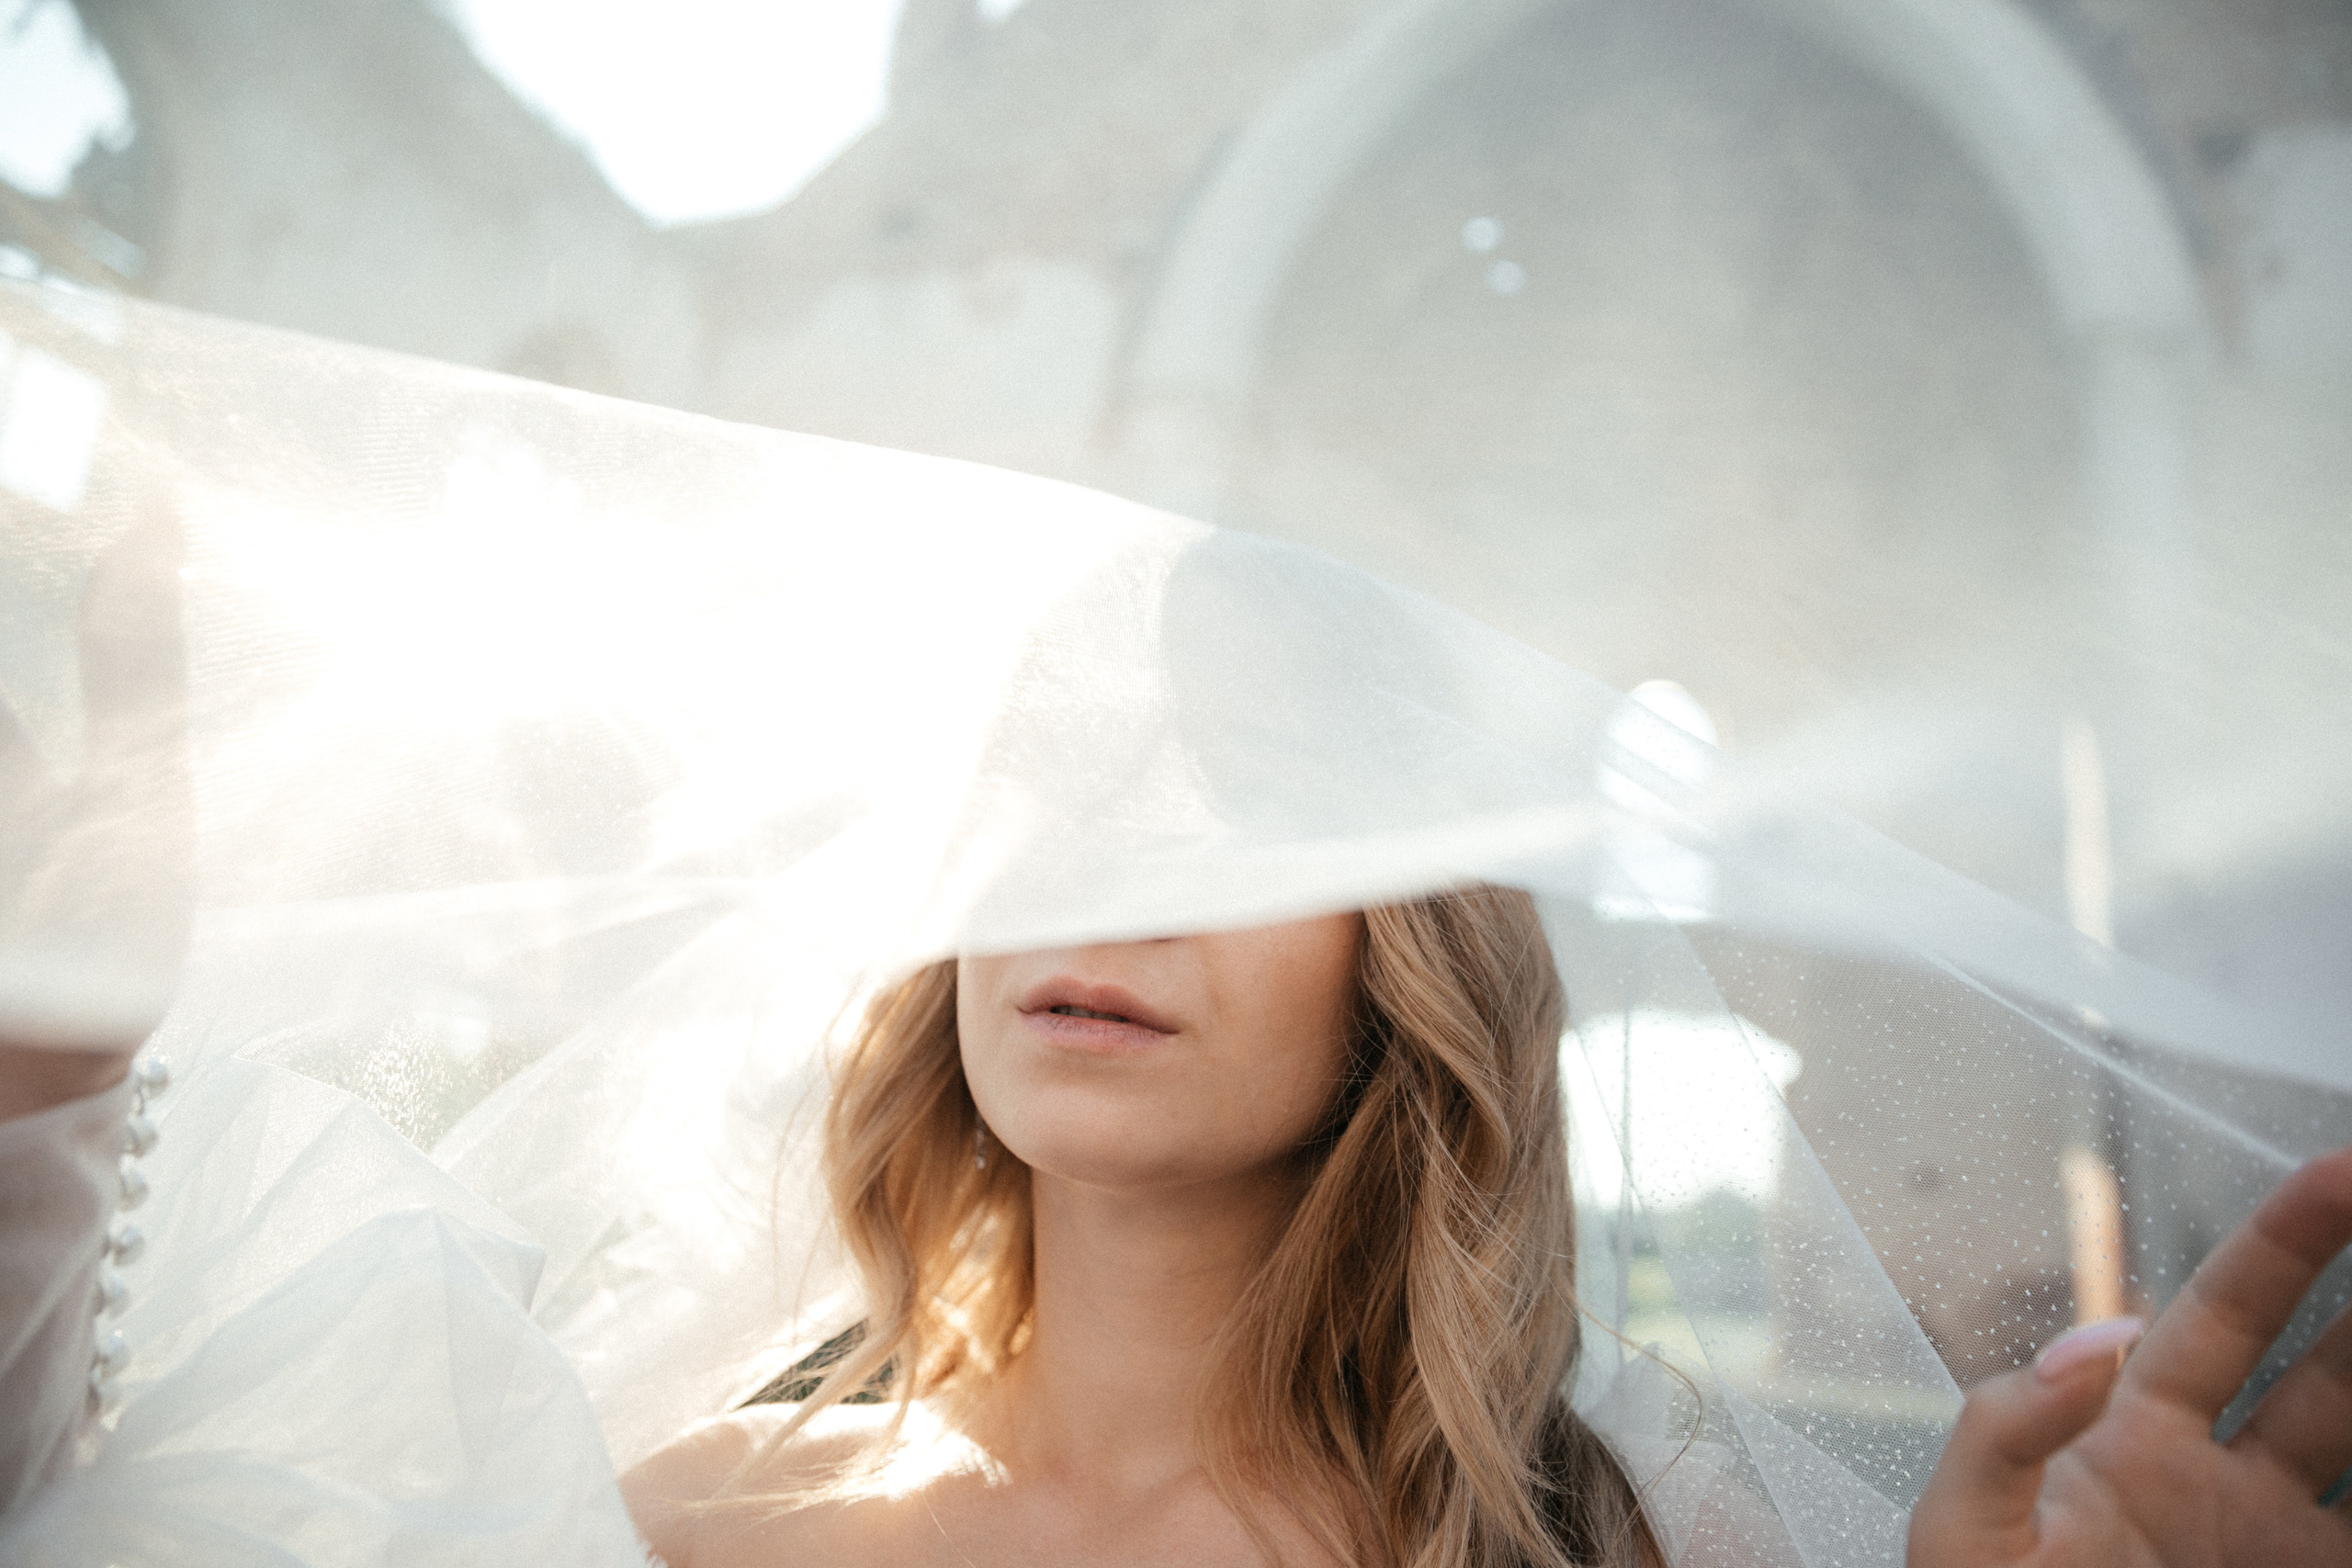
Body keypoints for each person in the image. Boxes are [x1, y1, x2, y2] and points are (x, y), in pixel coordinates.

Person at [2, 282, 2348, 1565]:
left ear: (1416, 946)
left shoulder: (1619, 1551)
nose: (1103, 866)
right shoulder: (633, 1521)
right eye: (1047, 784)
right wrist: (46, 1107)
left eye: (1226, 798)